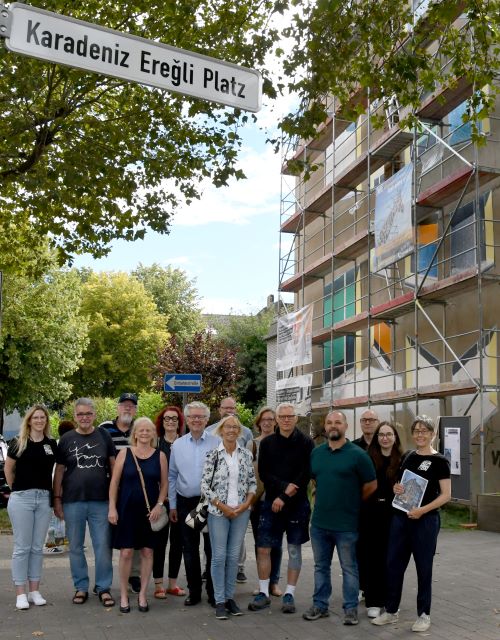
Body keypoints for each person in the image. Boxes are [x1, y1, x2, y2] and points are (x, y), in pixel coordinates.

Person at [372, 415, 451, 633]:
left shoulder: (440, 461)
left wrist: (423, 510)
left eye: (424, 431)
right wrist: (397, 488)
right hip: (400, 519)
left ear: (432, 434)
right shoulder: (408, 456)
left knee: (423, 568)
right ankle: (391, 610)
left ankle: (424, 615)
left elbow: (446, 495)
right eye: (416, 431)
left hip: (425, 521)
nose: (420, 435)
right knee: (393, 565)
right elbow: (401, 484)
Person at [303, 410, 377, 626]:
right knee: (320, 567)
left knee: (349, 568)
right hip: (319, 524)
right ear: (325, 427)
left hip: (346, 524)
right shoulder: (317, 454)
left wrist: (353, 501)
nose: (333, 426)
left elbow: (372, 484)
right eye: (329, 422)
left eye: (338, 422)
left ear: (345, 426)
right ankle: (320, 605)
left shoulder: (358, 455)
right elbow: (316, 479)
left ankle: (351, 609)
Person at [249, 402, 314, 615]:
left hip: (297, 505)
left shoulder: (306, 443)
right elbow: (264, 474)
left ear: (296, 418)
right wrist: (282, 489)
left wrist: (285, 495)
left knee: (294, 549)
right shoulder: (267, 443)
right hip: (271, 503)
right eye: (282, 416)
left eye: (290, 416)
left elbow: (305, 475)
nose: (286, 420)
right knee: (263, 548)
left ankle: (290, 593)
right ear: (276, 419)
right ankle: (264, 593)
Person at [53, 398, 116, 607]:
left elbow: (113, 467)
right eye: (80, 414)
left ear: (94, 415)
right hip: (73, 501)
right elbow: (59, 471)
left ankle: (103, 587)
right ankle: (81, 587)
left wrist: (114, 500)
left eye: (88, 413)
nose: (85, 417)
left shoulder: (104, 435)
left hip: (101, 501)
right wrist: (57, 499)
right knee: (76, 548)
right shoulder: (66, 439)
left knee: (103, 546)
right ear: (75, 417)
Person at [108, 417, 167, 613]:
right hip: (126, 511)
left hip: (150, 513)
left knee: (147, 552)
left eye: (148, 430)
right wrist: (112, 508)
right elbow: (114, 483)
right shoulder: (124, 454)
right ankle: (124, 594)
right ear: (134, 433)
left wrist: (159, 505)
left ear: (153, 434)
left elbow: (165, 484)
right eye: (140, 430)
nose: (144, 433)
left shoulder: (160, 456)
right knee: (125, 552)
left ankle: (142, 593)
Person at [201, 415, 256, 619]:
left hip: (241, 512)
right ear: (221, 430)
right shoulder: (212, 455)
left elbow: (252, 482)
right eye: (228, 427)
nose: (232, 430)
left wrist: (246, 503)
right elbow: (205, 485)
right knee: (219, 556)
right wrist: (222, 506)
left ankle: (230, 597)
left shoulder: (245, 455)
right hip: (218, 512)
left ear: (239, 431)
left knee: (234, 557)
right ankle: (220, 600)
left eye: (235, 427)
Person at [5, 405, 57, 610]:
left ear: (46, 421)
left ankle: (34, 590)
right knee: (22, 548)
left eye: (42, 417)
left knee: (37, 547)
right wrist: (17, 490)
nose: (39, 420)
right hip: (22, 499)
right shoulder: (18, 443)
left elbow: (57, 470)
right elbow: (9, 469)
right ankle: (20, 593)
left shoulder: (51, 444)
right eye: (35, 417)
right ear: (29, 421)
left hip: (44, 499)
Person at [168, 401, 219, 607]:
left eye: (201, 417)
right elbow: (172, 476)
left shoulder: (217, 443)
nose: (196, 420)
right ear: (187, 420)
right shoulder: (177, 445)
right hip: (185, 502)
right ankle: (194, 592)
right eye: (193, 417)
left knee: (212, 549)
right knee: (189, 549)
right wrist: (172, 505)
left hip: (210, 503)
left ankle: (214, 593)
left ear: (207, 420)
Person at [357, 421, 402, 619]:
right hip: (370, 516)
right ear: (376, 438)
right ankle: (373, 601)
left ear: (395, 438)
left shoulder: (402, 460)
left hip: (393, 517)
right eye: (381, 434)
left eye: (389, 434)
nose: (385, 438)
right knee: (371, 559)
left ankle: (390, 601)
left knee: (391, 560)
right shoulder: (367, 459)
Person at [99, 392, 141, 593]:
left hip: (135, 490)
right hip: (110, 489)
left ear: (136, 409)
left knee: (136, 538)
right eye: (124, 405)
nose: (127, 408)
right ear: (117, 407)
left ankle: (134, 576)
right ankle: (104, 581)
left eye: (131, 406)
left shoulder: (140, 428)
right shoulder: (104, 429)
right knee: (107, 537)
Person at [152, 405, 186, 599]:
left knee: (177, 543)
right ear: (162, 422)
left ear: (179, 422)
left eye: (174, 419)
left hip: (180, 501)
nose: (171, 422)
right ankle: (158, 584)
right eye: (167, 419)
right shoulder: (156, 444)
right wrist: (161, 496)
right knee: (159, 543)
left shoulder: (185, 443)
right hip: (161, 502)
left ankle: (172, 583)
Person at [249, 406, 283, 597]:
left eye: (271, 419)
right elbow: (247, 474)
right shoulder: (252, 445)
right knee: (260, 544)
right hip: (257, 501)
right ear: (259, 422)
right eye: (264, 419)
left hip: (276, 500)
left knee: (276, 543)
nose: (267, 422)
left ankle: (274, 582)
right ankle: (263, 581)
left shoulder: (281, 443)